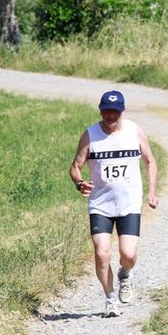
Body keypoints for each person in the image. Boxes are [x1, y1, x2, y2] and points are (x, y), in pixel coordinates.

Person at [69, 90, 158, 318]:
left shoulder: (134, 131)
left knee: (127, 254)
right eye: (106, 111)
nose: (110, 116)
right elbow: (75, 167)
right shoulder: (90, 135)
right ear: (100, 110)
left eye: (115, 111)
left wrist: (152, 192)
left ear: (122, 111)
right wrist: (80, 183)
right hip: (100, 205)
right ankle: (110, 299)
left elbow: (150, 161)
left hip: (129, 204)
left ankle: (125, 274)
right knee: (102, 252)